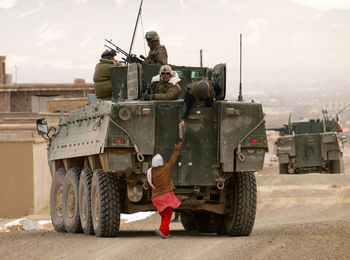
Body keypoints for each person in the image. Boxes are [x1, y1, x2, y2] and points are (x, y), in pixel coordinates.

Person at [145, 141, 183, 239]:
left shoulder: (150, 172)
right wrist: (177, 148)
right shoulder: (166, 167)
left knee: (164, 215)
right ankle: (161, 230)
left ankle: (166, 233)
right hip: (166, 196)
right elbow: (173, 158)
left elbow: (148, 185)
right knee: (169, 214)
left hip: (156, 198)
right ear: (161, 162)